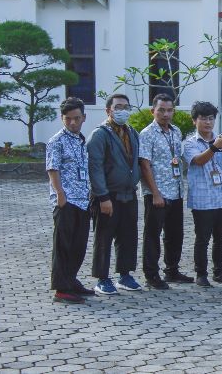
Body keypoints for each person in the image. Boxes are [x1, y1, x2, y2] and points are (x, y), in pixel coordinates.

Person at [88, 92, 143, 295]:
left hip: (129, 193)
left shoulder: (132, 132)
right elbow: (95, 167)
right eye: (118, 107)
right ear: (108, 110)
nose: (122, 111)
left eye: (126, 107)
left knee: (128, 236)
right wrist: (102, 196)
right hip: (108, 195)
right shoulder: (100, 134)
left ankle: (125, 275)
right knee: (104, 237)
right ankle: (102, 278)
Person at [182, 100, 222, 287]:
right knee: (202, 239)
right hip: (203, 200)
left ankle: (219, 272)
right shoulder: (189, 143)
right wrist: (214, 147)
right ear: (194, 121)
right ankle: (201, 274)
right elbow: (198, 161)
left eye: (211, 118)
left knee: (221, 239)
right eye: (203, 119)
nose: (207, 122)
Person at [138, 93, 192, 289]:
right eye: (161, 110)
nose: (165, 114)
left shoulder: (175, 131)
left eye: (169, 110)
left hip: (176, 190)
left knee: (175, 234)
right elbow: (144, 165)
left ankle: (172, 270)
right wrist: (155, 193)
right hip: (157, 193)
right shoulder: (146, 134)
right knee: (153, 235)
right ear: (153, 111)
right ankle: (151, 275)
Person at [47, 97, 93, 303]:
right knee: (63, 245)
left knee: (79, 244)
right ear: (62, 118)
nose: (72, 123)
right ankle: (61, 288)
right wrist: (60, 194)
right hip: (66, 201)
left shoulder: (81, 139)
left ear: (84, 117)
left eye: (76, 118)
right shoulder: (57, 140)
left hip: (83, 200)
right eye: (68, 119)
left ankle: (71, 280)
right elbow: (52, 168)